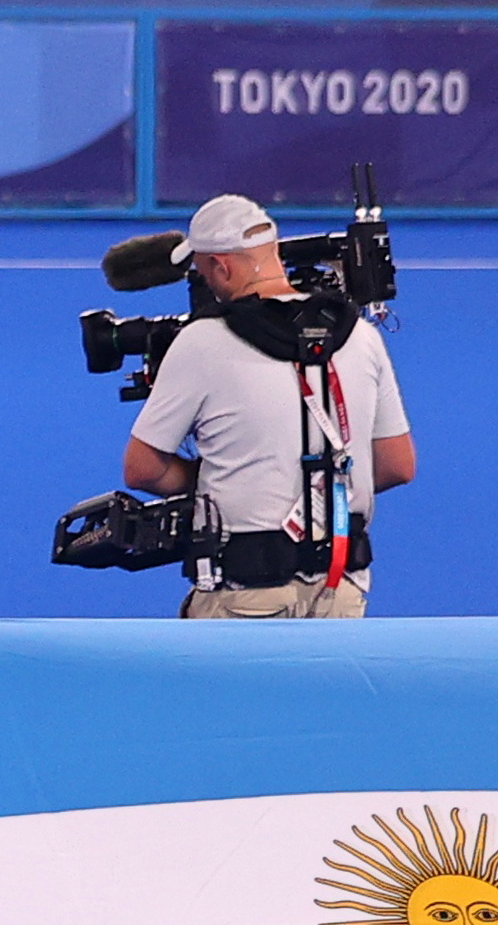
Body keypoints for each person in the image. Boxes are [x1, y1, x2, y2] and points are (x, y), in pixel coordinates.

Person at [122, 194, 414, 620]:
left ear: (220, 266)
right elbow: (397, 464)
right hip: (341, 590)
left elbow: (142, 469)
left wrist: (219, 483)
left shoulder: (203, 341)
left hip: (241, 596)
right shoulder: (362, 336)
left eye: (202, 271)